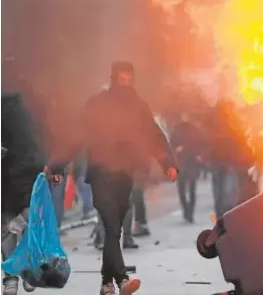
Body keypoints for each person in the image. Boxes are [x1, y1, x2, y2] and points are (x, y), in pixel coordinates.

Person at [45, 61, 178, 295]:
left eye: (129, 80)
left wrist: (168, 163)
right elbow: (77, 136)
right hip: (100, 173)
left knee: (113, 227)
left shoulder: (138, 107)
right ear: (113, 78)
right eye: (121, 79)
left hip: (125, 174)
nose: (125, 84)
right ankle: (122, 279)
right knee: (110, 225)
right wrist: (56, 163)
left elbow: (153, 135)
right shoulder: (97, 105)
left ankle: (107, 283)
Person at [1, 57, 41, 295]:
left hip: (27, 169)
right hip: (7, 173)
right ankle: (11, 276)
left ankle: (22, 271)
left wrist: (52, 166)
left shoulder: (32, 101)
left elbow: (47, 132)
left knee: (20, 222)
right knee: (8, 225)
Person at [171, 113, 204, 223]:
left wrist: (199, 154)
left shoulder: (195, 129)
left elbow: (201, 143)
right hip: (180, 162)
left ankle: (190, 212)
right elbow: (172, 143)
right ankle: (186, 209)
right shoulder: (177, 129)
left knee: (191, 188)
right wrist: (176, 149)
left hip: (191, 161)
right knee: (181, 189)